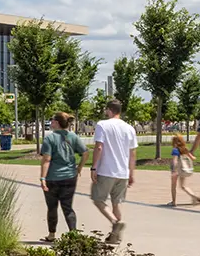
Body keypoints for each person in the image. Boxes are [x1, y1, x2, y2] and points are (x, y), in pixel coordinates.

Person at [86, 99, 138, 244]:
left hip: (106, 170)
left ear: (109, 110)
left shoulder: (102, 125)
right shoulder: (129, 128)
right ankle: (115, 236)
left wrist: (94, 167)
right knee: (117, 202)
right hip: (123, 173)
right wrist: (131, 173)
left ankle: (115, 222)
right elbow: (133, 153)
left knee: (98, 199)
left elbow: (99, 147)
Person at [39, 111, 87, 242]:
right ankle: (73, 235)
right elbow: (85, 153)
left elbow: (46, 160)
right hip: (70, 177)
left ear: (57, 122)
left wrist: (42, 178)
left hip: (52, 178)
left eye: (52, 120)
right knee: (67, 206)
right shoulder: (73, 137)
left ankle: (51, 235)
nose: (51, 122)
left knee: (52, 207)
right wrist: (79, 168)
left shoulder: (49, 139)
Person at [168, 134, 200, 206]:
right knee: (183, 186)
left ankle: (174, 201)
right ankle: (193, 196)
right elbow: (193, 158)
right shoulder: (185, 149)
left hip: (176, 170)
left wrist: (174, 170)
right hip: (183, 170)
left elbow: (175, 161)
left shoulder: (175, 150)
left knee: (173, 186)